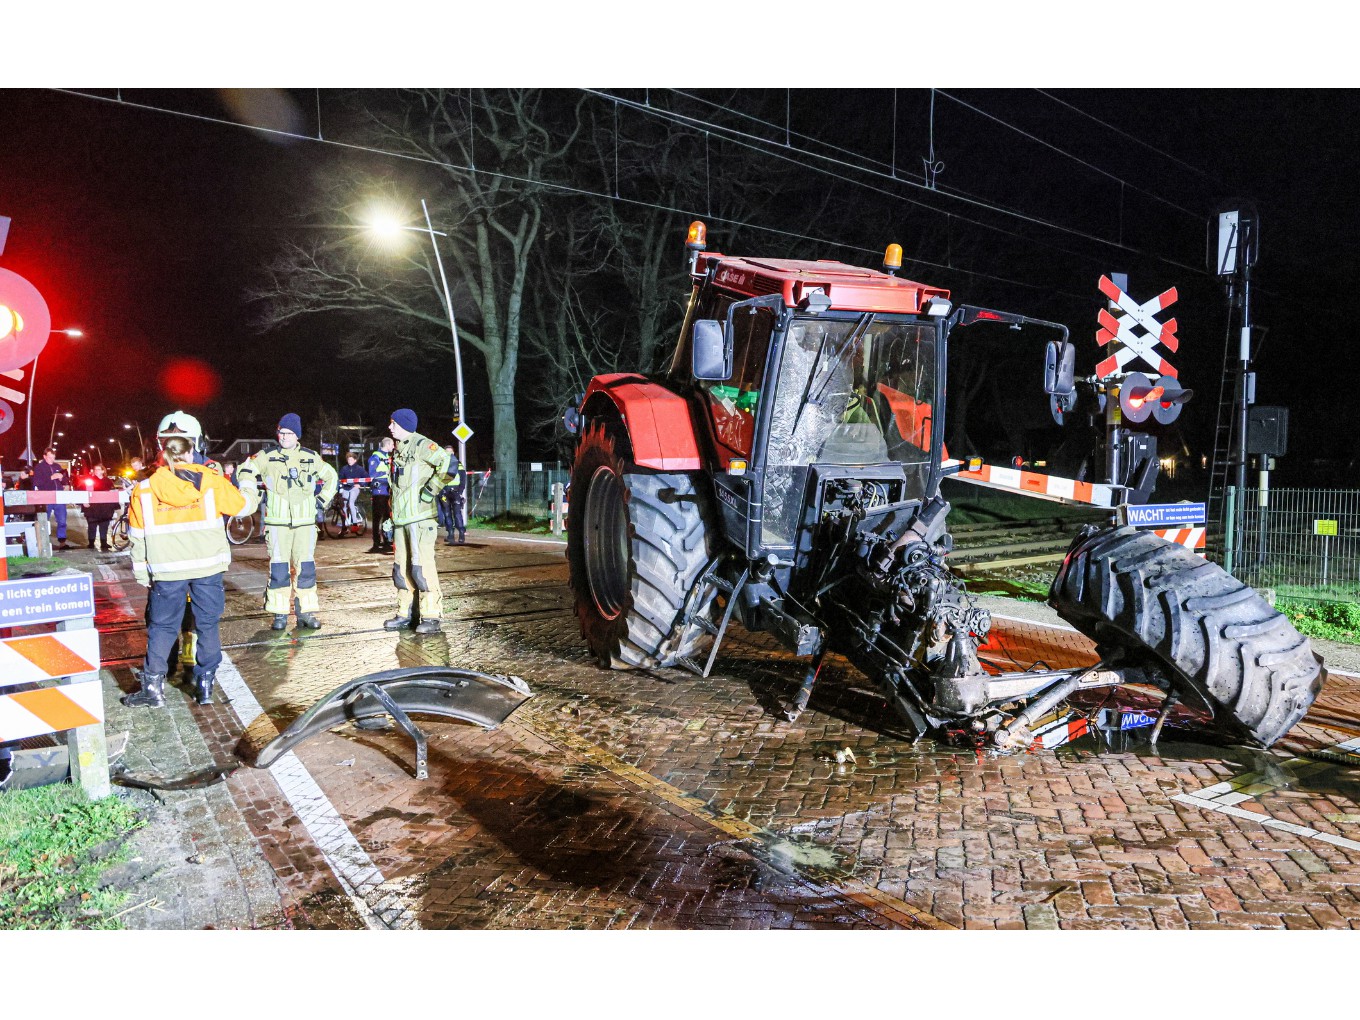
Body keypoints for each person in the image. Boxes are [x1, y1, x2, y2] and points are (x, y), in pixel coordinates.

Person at [123, 434, 259, 708]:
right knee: (207, 624)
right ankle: (205, 683)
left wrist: (142, 574)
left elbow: (136, 537)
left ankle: (153, 689)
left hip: (166, 571)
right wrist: (247, 483)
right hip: (207, 567)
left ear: (163, 455)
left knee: (162, 628)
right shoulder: (210, 481)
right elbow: (244, 506)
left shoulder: (145, 489)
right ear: (190, 453)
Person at [237, 413, 338, 630]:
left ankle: (306, 613)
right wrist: (248, 490)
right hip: (277, 524)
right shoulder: (266, 456)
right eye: (281, 432)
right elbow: (245, 469)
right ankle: (280, 614)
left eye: (289, 433)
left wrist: (322, 500)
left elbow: (332, 476)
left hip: (305, 524)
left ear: (297, 435)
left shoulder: (311, 457)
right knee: (280, 570)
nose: (284, 437)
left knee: (306, 569)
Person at [385, 409, 455, 634]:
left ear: (404, 424)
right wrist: (391, 518)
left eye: (393, 423)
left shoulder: (423, 445)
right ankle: (405, 613)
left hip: (421, 520)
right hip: (402, 521)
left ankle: (431, 615)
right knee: (401, 569)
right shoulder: (398, 449)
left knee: (422, 568)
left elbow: (449, 465)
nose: (390, 427)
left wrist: (430, 491)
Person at [32, 448, 70, 550]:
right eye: (50, 457)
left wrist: (62, 479)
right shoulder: (39, 467)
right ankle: (43, 542)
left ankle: (62, 542)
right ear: (44, 456)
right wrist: (51, 478)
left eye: (53, 457)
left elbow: (66, 479)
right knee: (44, 519)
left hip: (59, 497)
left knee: (62, 520)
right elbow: (37, 483)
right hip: (46, 497)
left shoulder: (57, 466)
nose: (52, 459)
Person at [367, 437, 394, 554]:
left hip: (387, 490)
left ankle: (387, 540)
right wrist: (386, 472)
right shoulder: (376, 457)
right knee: (378, 517)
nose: (393, 447)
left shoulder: (387, 457)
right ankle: (377, 543)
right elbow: (372, 473)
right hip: (379, 491)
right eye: (392, 444)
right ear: (387, 445)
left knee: (387, 517)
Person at [437, 445, 467, 545]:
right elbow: (437, 479)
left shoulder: (458, 465)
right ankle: (450, 534)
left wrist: (460, 492)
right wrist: (440, 491)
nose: (449, 454)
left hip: (455, 492)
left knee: (457, 513)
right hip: (444, 491)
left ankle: (461, 534)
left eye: (450, 452)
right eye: (447, 452)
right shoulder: (440, 464)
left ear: (453, 453)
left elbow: (463, 479)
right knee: (447, 514)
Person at [83, 464, 117, 551]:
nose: (97, 471)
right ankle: (91, 542)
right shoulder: (89, 480)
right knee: (92, 525)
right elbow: (83, 491)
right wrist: (84, 501)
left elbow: (112, 492)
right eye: (95, 469)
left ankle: (104, 542)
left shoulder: (108, 481)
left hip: (105, 507)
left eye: (99, 469)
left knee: (104, 525)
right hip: (92, 508)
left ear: (103, 471)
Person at [338, 453, 365, 536]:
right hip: (346, 488)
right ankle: (345, 525)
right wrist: (340, 487)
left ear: (355, 460)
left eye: (351, 459)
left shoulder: (360, 469)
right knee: (344, 506)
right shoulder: (344, 469)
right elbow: (340, 478)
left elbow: (366, 477)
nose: (349, 461)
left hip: (354, 488)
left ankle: (354, 523)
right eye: (348, 459)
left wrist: (360, 484)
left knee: (351, 503)